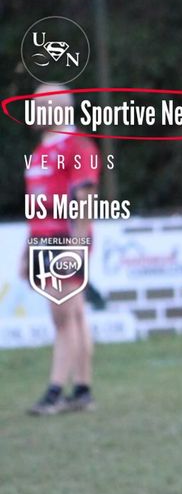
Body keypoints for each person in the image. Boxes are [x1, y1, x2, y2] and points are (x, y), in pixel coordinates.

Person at [22, 84, 100, 415]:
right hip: (44, 241)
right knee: (75, 315)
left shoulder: (77, 145)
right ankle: (82, 390)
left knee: (62, 318)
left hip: (64, 241)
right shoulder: (41, 149)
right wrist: (27, 251)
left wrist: (77, 246)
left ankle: (54, 392)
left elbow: (86, 197)